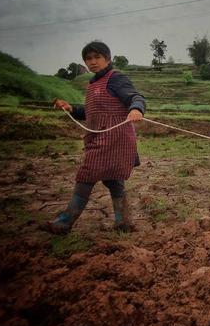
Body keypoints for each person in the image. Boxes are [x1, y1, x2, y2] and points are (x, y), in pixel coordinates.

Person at [42, 41, 145, 234]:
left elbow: (135, 97)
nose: (93, 62)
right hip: (100, 137)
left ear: (108, 58)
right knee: (114, 180)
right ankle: (124, 223)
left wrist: (136, 109)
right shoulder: (94, 84)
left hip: (114, 138)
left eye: (97, 57)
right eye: (88, 59)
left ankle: (64, 223)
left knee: (87, 175)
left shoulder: (116, 78)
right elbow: (91, 112)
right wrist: (72, 108)